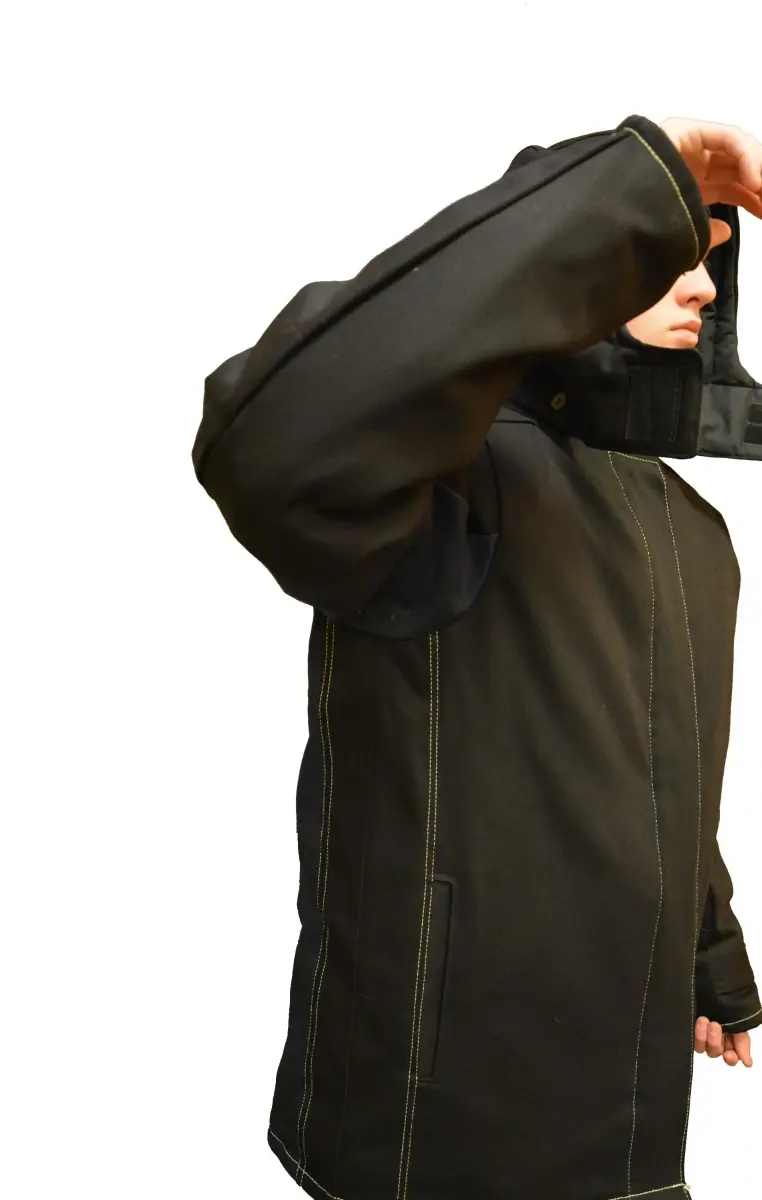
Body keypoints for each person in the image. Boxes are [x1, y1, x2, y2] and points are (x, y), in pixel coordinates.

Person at [191, 114, 762, 1200]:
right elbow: (267, 444)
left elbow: (672, 773)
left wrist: (710, 955)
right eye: (664, 254)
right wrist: (638, 177)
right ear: (564, 262)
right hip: (433, 1107)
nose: (700, 287)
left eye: (712, 263)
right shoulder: (433, 479)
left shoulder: (696, 531)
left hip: (630, 1110)